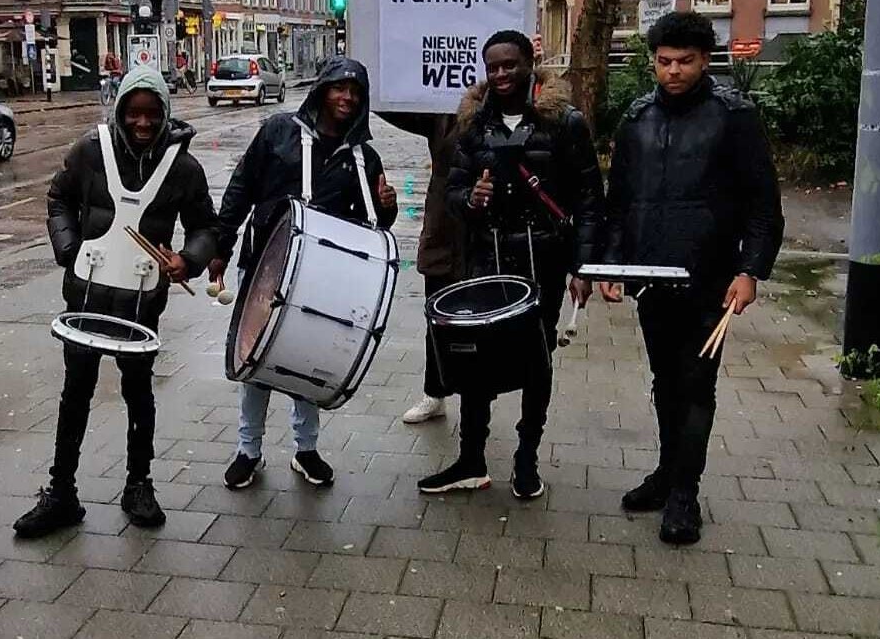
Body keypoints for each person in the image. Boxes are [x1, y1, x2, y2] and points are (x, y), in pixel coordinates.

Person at [599, 11, 783, 545]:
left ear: (705, 61)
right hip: (653, 278)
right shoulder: (636, 119)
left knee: (696, 384)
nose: (673, 71)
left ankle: (685, 493)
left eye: (684, 62)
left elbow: (763, 205)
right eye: (663, 62)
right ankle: (665, 474)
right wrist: (613, 266)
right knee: (664, 382)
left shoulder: (735, 117)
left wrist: (750, 271)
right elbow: (621, 202)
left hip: (710, 279)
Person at [14, 66, 218, 537]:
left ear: (164, 113)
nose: (142, 123)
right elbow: (58, 199)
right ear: (121, 110)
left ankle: (138, 485)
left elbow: (207, 226)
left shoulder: (183, 168)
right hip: (85, 295)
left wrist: (188, 260)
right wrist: (67, 249)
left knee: (138, 394)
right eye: (134, 112)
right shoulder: (90, 151)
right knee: (75, 395)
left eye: (151, 114)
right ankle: (61, 492)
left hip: (141, 305)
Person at [211, 58, 399, 490]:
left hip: (319, 276)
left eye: (355, 91)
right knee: (255, 360)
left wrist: (385, 205)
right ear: (322, 89)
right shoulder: (279, 132)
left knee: (307, 362)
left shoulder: (363, 158)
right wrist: (221, 245)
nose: (346, 98)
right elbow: (241, 187)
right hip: (262, 263)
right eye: (338, 87)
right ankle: (248, 450)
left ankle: (306, 450)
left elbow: (371, 226)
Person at [432, 31, 604, 499]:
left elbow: (589, 198)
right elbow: (453, 192)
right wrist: (471, 198)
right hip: (486, 260)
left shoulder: (564, 123)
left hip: (543, 259)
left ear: (530, 63)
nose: (501, 74)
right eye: (493, 67)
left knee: (537, 360)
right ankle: (471, 460)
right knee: (475, 361)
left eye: (510, 65)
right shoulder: (472, 125)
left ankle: (526, 458)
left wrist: (583, 268)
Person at [375, 107, 467, 425]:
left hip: (486, 232)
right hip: (444, 229)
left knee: (481, 324)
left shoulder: (506, 105)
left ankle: (476, 399)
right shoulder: (441, 112)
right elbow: (394, 105)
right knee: (437, 318)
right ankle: (435, 392)